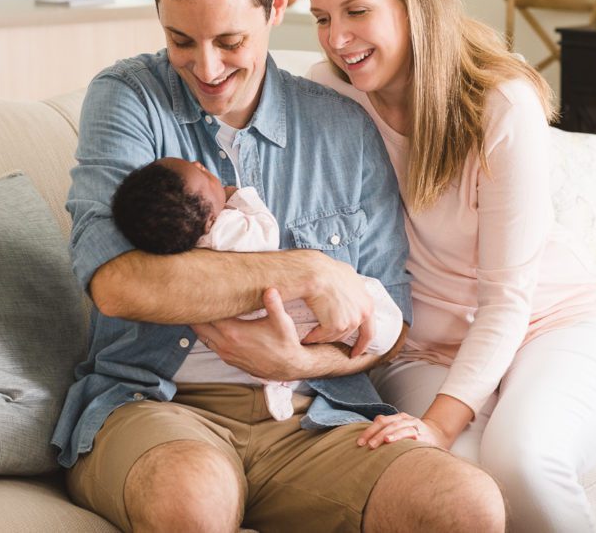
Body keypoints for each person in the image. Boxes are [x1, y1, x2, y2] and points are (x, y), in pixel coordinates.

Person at [50, 0, 505, 533]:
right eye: (180, 40)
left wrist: (300, 365)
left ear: (275, 7)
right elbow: (118, 283)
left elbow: (393, 326)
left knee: (465, 504)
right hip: (161, 406)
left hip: (315, 416)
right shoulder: (129, 98)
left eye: (229, 41)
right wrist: (308, 272)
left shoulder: (344, 126)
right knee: (194, 496)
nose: (206, 70)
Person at [304, 0, 596, 533]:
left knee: (521, 458)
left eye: (356, 11)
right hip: (419, 348)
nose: (336, 38)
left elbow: (507, 301)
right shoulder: (330, 93)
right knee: (454, 484)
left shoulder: (500, 104)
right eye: (322, 18)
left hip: (553, 325)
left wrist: (437, 421)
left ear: (415, 3)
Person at [109, 156, 404, 420]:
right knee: (375, 312)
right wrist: (240, 197)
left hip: (255, 320)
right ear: (209, 217)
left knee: (300, 338)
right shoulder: (225, 229)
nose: (202, 165)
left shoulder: (180, 248)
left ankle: (279, 381)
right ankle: (284, 377)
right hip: (284, 306)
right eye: (201, 173)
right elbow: (266, 232)